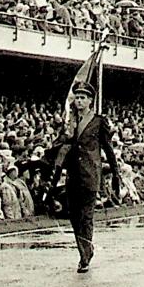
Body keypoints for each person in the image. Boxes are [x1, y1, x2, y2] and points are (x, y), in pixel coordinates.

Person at [60, 82, 119, 273]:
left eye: (83, 98)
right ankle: (86, 248)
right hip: (73, 175)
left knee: (86, 217)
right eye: (77, 97)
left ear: (90, 101)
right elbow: (63, 144)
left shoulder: (98, 121)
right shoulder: (70, 121)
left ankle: (84, 256)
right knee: (74, 217)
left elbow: (108, 148)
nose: (79, 101)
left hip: (90, 174)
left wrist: (116, 171)